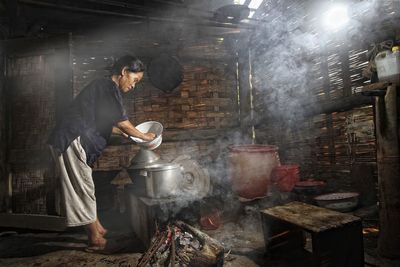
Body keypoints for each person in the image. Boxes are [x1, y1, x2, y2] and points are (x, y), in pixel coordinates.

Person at [48, 55, 155, 250]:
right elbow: (122, 123)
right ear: (124, 71)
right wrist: (145, 136)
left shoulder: (106, 90)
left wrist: (129, 135)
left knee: (85, 185)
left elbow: (106, 125)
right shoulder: (107, 87)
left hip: (73, 139)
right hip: (71, 138)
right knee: (83, 187)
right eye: (134, 80)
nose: (134, 86)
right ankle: (94, 238)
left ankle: (98, 228)